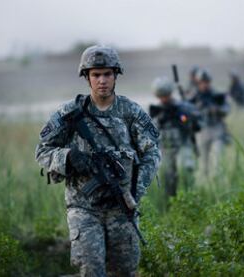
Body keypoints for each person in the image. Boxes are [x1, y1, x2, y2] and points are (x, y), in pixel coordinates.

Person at [35, 45, 161, 277]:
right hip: (83, 207)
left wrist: (135, 191)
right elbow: (42, 151)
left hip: (121, 207)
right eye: (96, 75)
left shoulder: (130, 112)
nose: (102, 80)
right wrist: (69, 157)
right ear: (87, 77)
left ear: (115, 76)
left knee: (125, 271)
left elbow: (152, 153)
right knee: (92, 269)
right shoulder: (70, 113)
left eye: (107, 74)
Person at [149, 77, 201, 200]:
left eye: (166, 95)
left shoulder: (183, 107)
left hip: (183, 144)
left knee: (186, 170)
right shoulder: (156, 111)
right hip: (166, 148)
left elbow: (197, 125)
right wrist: (160, 120)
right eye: (161, 96)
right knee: (167, 177)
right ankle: (171, 203)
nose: (164, 99)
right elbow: (149, 132)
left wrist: (185, 118)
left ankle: (190, 199)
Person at [190, 69, 230, 179]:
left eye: (206, 82)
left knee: (217, 160)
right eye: (202, 82)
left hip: (217, 130)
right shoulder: (194, 97)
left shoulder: (217, 95)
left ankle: (217, 183)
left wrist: (217, 110)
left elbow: (226, 109)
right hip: (202, 131)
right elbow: (187, 112)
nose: (204, 85)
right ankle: (204, 186)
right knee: (203, 163)